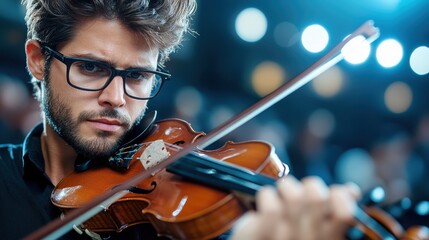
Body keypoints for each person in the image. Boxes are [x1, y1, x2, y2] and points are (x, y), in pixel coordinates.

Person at [0, 0, 360, 239]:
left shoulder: (170, 221)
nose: (116, 98)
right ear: (37, 60)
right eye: (91, 68)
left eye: (138, 76)